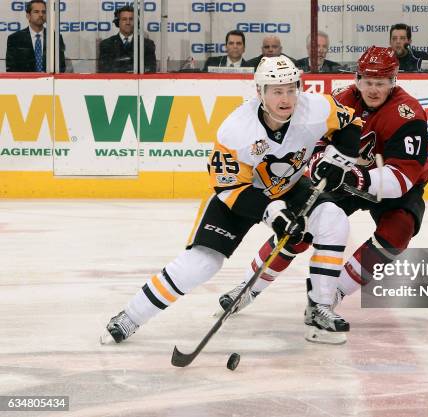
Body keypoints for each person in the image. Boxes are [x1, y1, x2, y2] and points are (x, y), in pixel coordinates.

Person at [101, 56, 363, 345]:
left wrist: (338, 160)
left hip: (290, 186)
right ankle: (130, 316)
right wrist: (272, 212)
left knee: (333, 220)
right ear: (260, 92)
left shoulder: (316, 108)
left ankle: (320, 307)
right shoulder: (236, 129)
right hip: (242, 195)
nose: (286, 98)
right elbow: (230, 189)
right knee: (202, 263)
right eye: (277, 91)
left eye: (291, 89)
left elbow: (351, 121)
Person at [218, 46, 428, 343]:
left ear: (393, 81)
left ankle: (330, 296)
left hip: (387, 183)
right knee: (299, 226)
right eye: (368, 82)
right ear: (357, 79)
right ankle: (248, 287)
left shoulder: (407, 113)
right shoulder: (341, 100)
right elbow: (314, 141)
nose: (374, 89)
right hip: (345, 178)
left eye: (381, 83)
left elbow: (402, 178)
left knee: (398, 232)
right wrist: (322, 162)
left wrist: (354, 175)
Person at [5, 0, 66, 72]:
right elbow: (11, 68)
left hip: (49, 81)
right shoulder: (15, 39)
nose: (41, 15)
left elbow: (61, 66)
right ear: (28, 16)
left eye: (43, 12)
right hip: (24, 81)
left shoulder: (55, 37)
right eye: (36, 12)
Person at [98, 5, 156, 73]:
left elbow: (150, 68)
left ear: (136, 22)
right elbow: (104, 69)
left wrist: (120, 67)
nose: (128, 23)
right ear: (117, 22)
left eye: (131, 19)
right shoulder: (106, 44)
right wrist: (132, 69)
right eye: (124, 19)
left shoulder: (147, 44)